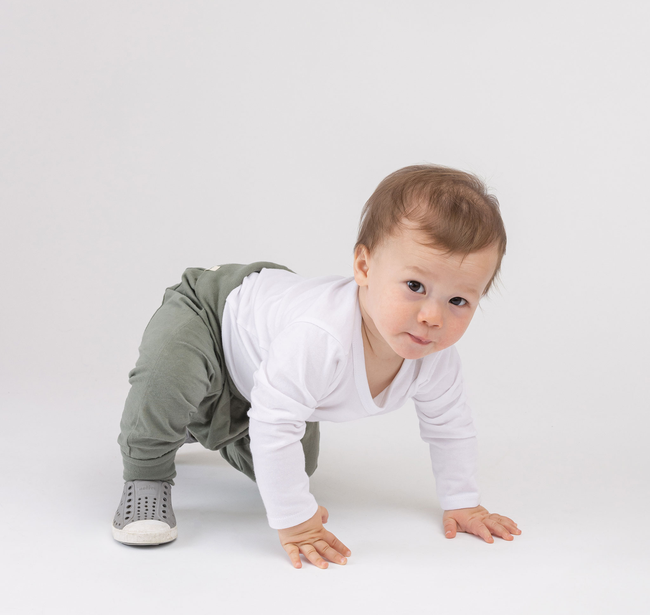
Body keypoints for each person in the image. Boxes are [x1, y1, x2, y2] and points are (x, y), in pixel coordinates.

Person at [112, 163, 521, 568]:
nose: (433, 316)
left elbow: (451, 429)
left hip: (261, 369)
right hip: (213, 313)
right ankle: (148, 471)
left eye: (459, 301)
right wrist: (296, 523)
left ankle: (198, 419)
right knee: (167, 381)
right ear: (364, 267)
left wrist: (464, 502)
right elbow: (276, 420)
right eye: (415, 287)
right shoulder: (321, 337)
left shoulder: (435, 360)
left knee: (297, 468)